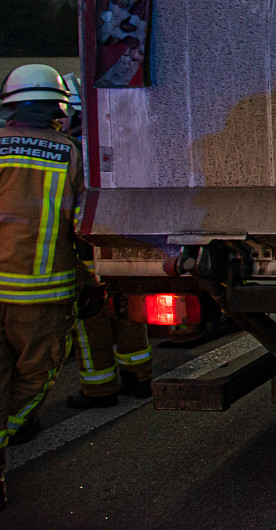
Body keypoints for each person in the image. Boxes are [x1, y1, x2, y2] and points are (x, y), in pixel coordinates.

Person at [0, 64, 86, 510]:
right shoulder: (70, 152)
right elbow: (81, 226)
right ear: (57, 107)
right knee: (35, 377)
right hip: (42, 294)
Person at [60, 75, 153, 408]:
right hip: (127, 246)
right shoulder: (124, 139)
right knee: (128, 311)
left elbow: (75, 213)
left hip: (90, 253)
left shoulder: (74, 152)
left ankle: (99, 390)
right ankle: (139, 376)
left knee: (92, 320)